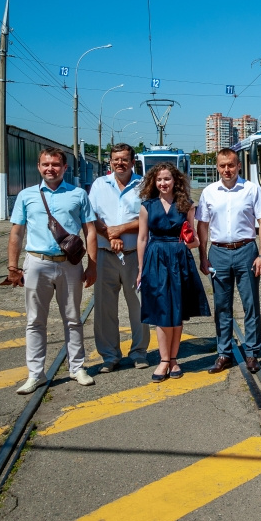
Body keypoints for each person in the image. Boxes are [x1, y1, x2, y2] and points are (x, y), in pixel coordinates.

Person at [6, 147, 97, 394]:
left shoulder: (78, 194)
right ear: (39, 167)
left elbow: (90, 230)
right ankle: (36, 374)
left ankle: (77, 367)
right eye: (46, 164)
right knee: (35, 321)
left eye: (56, 164)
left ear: (65, 168)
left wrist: (92, 266)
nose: (50, 168)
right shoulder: (26, 196)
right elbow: (17, 232)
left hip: (70, 264)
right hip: (37, 263)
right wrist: (13, 267)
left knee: (73, 319)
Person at [196, 149, 261, 374]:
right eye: (222, 166)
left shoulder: (251, 189)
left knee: (250, 304)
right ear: (217, 167)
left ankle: (252, 352)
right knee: (222, 306)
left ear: (239, 166)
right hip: (218, 252)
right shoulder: (209, 192)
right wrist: (203, 256)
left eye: (230, 165)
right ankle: (224, 353)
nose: (226, 170)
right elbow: (202, 226)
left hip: (246, 250)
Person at [136, 163, 210, 382]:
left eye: (167, 179)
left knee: (176, 310)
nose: (163, 183)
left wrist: (190, 244)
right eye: (159, 180)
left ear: (175, 180)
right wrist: (141, 269)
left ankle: (174, 359)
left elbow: (195, 240)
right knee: (161, 311)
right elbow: (142, 238)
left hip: (179, 260)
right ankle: (164, 360)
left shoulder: (186, 205)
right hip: (155, 259)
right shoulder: (146, 206)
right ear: (153, 182)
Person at [88, 143, 149, 373]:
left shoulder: (144, 184)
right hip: (105, 254)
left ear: (133, 162)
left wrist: (120, 230)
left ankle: (139, 352)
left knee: (140, 306)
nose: (119, 163)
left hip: (135, 256)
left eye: (124, 159)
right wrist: (109, 234)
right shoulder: (99, 184)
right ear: (110, 162)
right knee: (105, 309)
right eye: (115, 159)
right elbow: (91, 217)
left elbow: (148, 216)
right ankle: (109, 355)